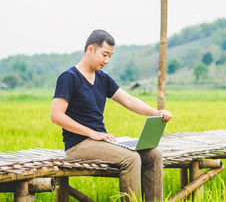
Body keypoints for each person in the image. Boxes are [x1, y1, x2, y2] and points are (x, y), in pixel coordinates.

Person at [50, 30, 172, 201]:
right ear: (90, 49)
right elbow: (56, 116)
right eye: (104, 54)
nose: (107, 60)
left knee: (154, 154)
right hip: (78, 144)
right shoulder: (69, 78)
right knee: (131, 158)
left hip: (102, 141)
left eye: (110, 56)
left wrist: (156, 113)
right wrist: (91, 132)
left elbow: (129, 100)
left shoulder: (102, 78)